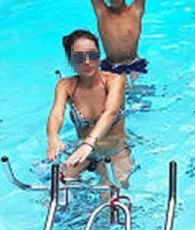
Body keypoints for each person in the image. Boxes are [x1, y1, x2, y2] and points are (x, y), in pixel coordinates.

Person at [46, 29, 133, 186]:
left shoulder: (115, 80)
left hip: (115, 149)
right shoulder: (66, 85)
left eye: (92, 55)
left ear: (100, 56)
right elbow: (57, 114)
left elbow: (110, 112)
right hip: (84, 151)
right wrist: (53, 137)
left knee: (121, 185)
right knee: (58, 184)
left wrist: (89, 143)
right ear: (70, 60)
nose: (87, 62)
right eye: (79, 57)